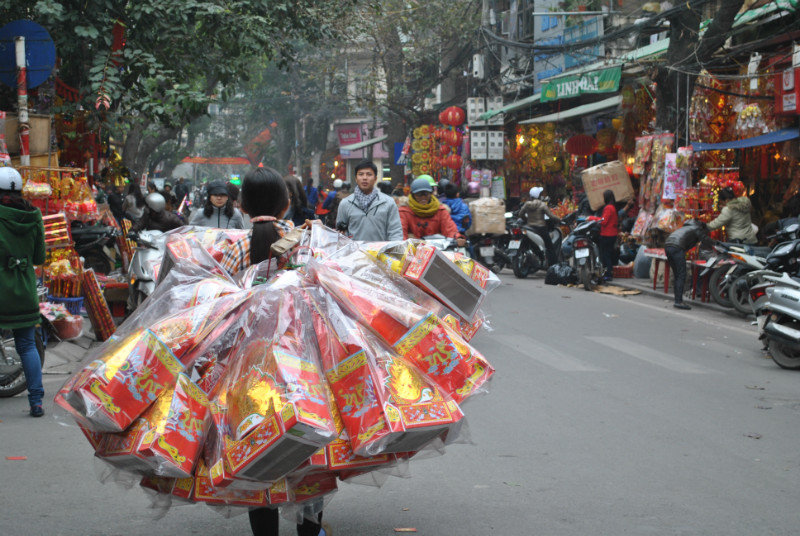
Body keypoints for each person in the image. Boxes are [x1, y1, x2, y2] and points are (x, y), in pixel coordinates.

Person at [0, 167, 45, 417]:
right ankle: (36, 402)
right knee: (27, 346)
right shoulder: (34, 215)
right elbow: (39, 257)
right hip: (25, 291)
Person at [336, 160, 403, 241]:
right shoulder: (345, 203)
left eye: (369, 174)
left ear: (375, 179)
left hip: (380, 253)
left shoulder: (388, 203)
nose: (364, 178)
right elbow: (340, 234)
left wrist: (393, 251)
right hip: (355, 253)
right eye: (361, 174)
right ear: (356, 179)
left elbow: (395, 232)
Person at [399, 177, 464, 244]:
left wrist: (458, 238)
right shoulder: (404, 212)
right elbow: (401, 234)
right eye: (419, 194)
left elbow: (450, 229)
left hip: (437, 249)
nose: (423, 197)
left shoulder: (440, 210)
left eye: (426, 194)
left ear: (431, 194)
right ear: (412, 195)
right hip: (413, 251)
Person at [664, 219, 709, 310]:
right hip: (677, 247)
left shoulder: (686, 227)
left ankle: (677, 300)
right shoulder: (697, 229)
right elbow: (706, 240)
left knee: (677, 274)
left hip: (668, 246)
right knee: (681, 275)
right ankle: (678, 301)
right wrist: (718, 243)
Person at [518, 186, 561, 266]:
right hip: (541, 228)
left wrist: (526, 220)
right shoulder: (542, 205)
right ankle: (553, 265)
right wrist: (559, 219)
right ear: (539, 195)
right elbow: (551, 216)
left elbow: (520, 214)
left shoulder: (527, 204)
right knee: (550, 247)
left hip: (530, 227)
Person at [598, 189, 619, 281]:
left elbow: (604, 221)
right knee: (608, 254)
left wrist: (592, 218)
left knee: (605, 254)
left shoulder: (608, 208)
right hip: (613, 234)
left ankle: (608, 273)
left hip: (607, 234)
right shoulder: (613, 207)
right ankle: (608, 272)